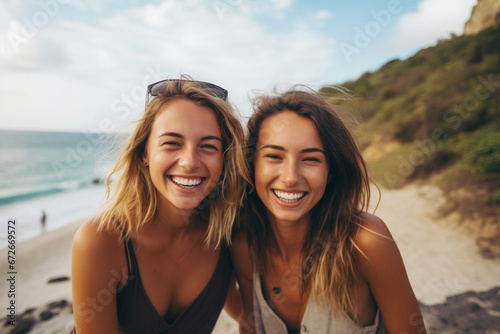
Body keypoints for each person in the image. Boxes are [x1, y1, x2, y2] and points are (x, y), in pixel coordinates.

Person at [231, 87, 426, 333]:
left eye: (311, 159)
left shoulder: (366, 242)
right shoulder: (245, 246)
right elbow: (249, 327)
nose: (290, 177)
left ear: (331, 172)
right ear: (252, 164)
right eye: (274, 156)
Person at [71, 77, 248, 333]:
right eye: (172, 143)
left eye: (208, 146)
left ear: (225, 159)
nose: (189, 162)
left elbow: (252, 315)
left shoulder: (228, 236)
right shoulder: (101, 240)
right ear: (144, 153)